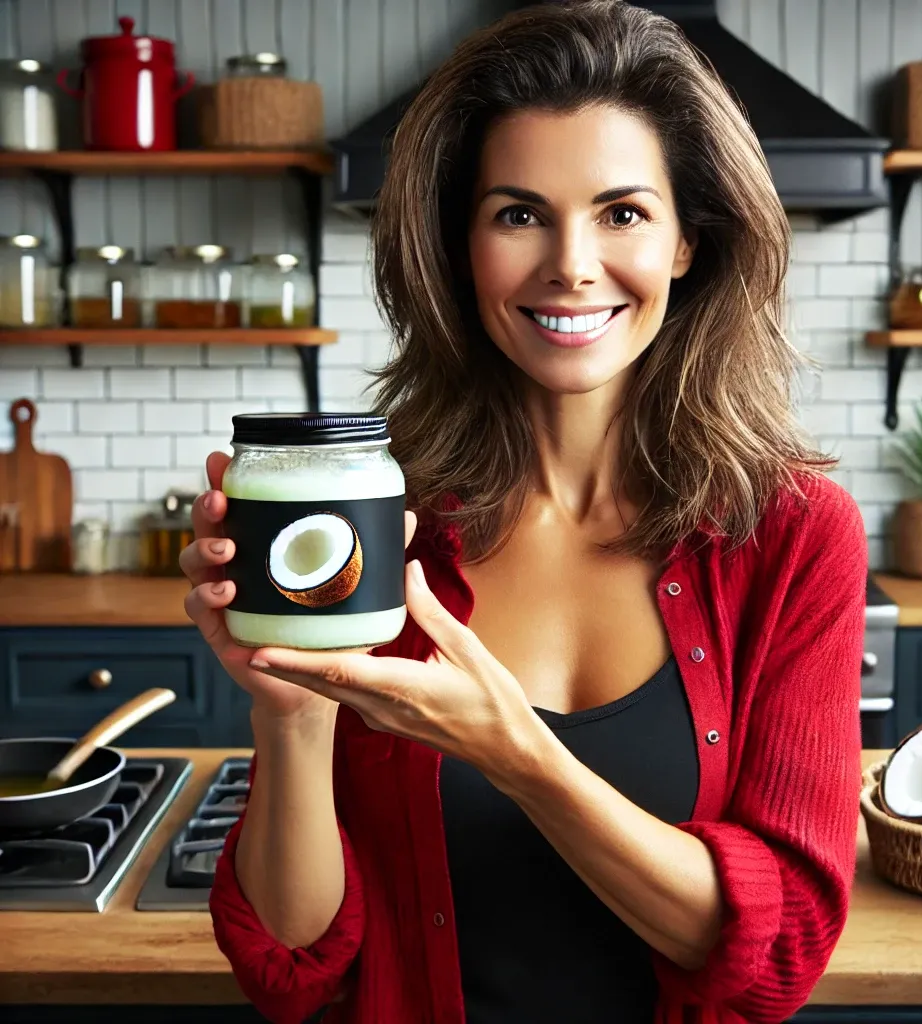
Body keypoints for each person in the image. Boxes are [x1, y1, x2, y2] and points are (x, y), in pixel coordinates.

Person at [182, 2, 868, 1022]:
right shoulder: (375, 524)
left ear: (688, 240)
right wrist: (291, 717)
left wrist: (521, 756)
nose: (571, 264)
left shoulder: (794, 531)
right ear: (461, 247)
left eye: (622, 212)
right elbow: (293, 966)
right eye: (517, 213)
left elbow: (773, 960)